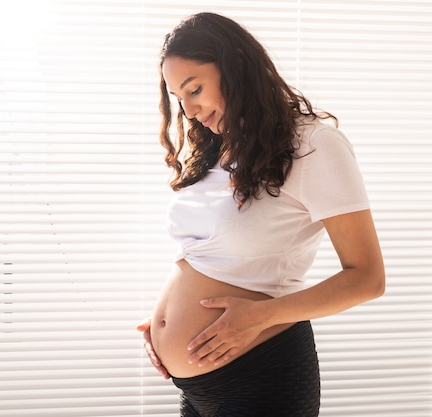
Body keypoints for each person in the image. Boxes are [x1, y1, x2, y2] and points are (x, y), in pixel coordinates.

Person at [137, 12, 385, 417]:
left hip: (261, 376)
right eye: (179, 99)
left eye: (194, 89)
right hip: (199, 386)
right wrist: (162, 324)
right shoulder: (218, 149)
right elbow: (216, 256)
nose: (190, 110)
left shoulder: (314, 144)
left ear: (235, 64)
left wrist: (259, 315)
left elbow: (368, 278)